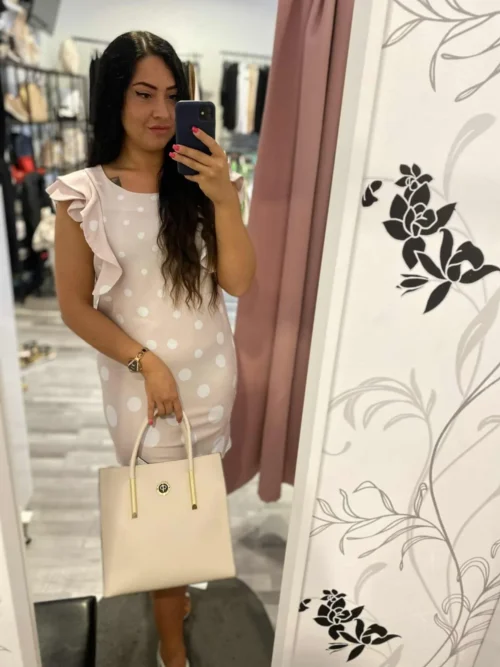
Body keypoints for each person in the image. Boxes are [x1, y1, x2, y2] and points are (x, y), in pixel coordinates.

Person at [47, 31, 255, 667]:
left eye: (172, 95)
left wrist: (225, 198)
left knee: (190, 502)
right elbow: (75, 307)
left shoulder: (201, 182)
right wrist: (149, 363)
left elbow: (238, 282)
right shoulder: (83, 194)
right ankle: (172, 649)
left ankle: (176, 599)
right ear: (113, 98)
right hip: (144, 389)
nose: (161, 111)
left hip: (212, 380)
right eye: (143, 94)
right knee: (164, 519)